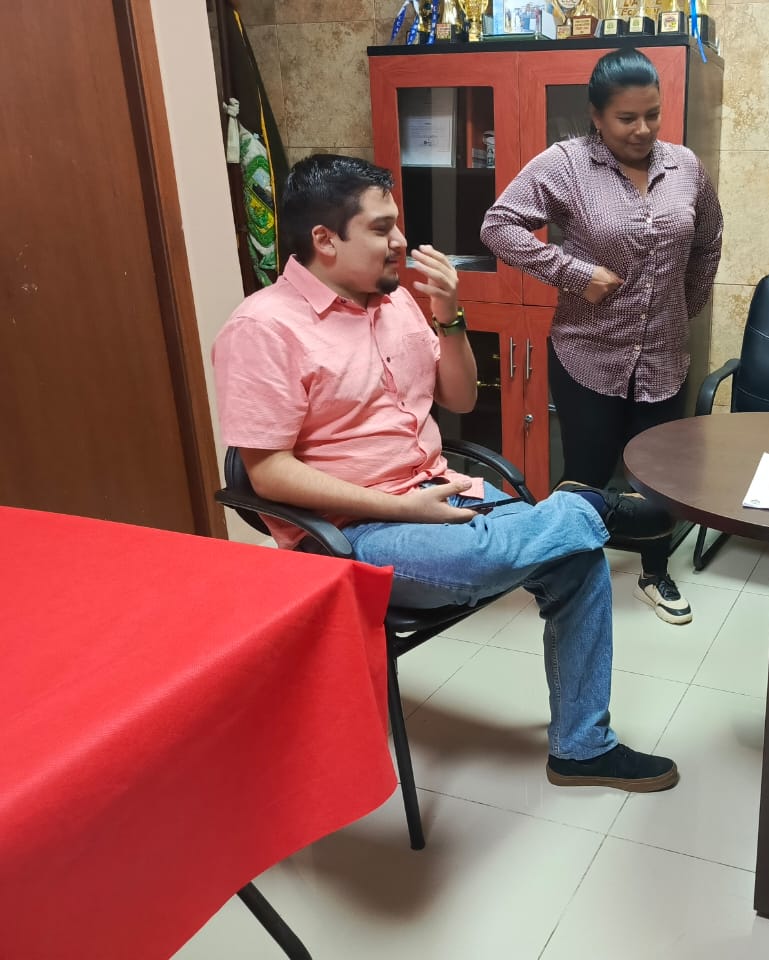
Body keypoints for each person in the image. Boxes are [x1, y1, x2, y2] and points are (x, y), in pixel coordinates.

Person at [212, 153, 679, 793]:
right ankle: (589, 506)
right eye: (381, 228)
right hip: (351, 535)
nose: (401, 242)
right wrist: (404, 508)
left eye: (397, 224)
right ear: (325, 240)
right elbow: (266, 475)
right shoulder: (263, 329)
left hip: (440, 491)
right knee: (516, 546)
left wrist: (451, 316)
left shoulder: (398, 304)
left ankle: (581, 748)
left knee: (575, 557)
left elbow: (457, 398)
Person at [480, 48, 723, 627]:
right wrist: (574, 273)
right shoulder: (567, 164)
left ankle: (655, 573)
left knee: (657, 475)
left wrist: (681, 309)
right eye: (626, 118)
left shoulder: (685, 166)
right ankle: (572, 577)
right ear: (596, 115)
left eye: (652, 115)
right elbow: (498, 226)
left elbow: (709, 240)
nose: (642, 129)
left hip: (664, 357)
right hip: (587, 354)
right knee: (586, 472)